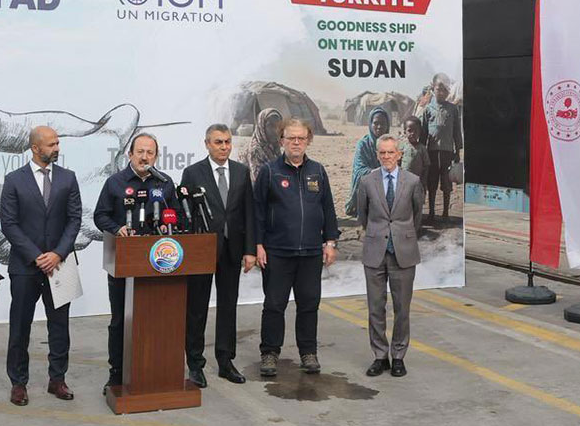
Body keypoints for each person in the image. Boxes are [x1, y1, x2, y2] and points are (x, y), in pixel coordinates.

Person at [1, 125, 83, 406]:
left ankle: (57, 379)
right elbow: (9, 224)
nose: (56, 148)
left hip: (61, 265)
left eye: (57, 143)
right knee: (19, 327)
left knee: (60, 326)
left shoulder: (68, 178)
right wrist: (37, 256)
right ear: (35, 148)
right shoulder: (14, 180)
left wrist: (57, 254)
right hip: (25, 266)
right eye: (51, 144)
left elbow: (74, 220)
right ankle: (18, 383)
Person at [92, 131, 178, 390]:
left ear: (156, 156)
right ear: (130, 154)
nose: (144, 157)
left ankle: (151, 369)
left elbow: (174, 215)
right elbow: (100, 215)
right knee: (120, 319)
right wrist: (117, 228)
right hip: (123, 260)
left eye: (150, 153)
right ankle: (117, 372)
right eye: (140, 152)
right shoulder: (115, 183)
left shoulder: (165, 184)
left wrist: (167, 227)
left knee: (154, 318)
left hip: (157, 262)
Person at [254, 119, 339, 378]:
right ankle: (270, 353)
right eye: (291, 138)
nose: (296, 142)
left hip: (311, 253)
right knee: (274, 305)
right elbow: (257, 212)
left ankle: (308, 353)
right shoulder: (269, 171)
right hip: (277, 252)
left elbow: (328, 209)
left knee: (309, 305)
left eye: (301, 138)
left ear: (308, 140)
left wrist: (330, 242)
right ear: (282, 141)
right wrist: (258, 245)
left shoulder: (318, 171)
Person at [180, 124, 256, 386]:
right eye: (218, 142)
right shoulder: (193, 173)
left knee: (228, 307)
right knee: (196, 309)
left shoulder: (241, 172)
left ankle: (226, 361)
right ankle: (195, 364)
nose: (224, 147)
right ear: (207, 144)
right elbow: (185, 214)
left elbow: (249, 213)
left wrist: (249, 250)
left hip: (232, 250)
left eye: (227, 142)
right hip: (201, 250)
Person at [355, 134, 423, 378]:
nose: (386, 156)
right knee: (375, 308)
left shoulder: (413, 181)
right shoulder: (367, 181)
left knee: (402, 309)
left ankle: (399, 356)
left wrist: (401, 236)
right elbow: (363, 215)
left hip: (403, 253)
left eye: (391, 152)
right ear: (377, 155)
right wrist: (378, 234)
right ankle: (380, 356)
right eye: (382, 153)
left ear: (399, 154)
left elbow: (417, 215)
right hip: (375, 252)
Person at [420, 77, 463, 220]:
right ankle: (432, 212)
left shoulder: (453, 109)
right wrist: (422, 152)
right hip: (431, 152)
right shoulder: (428, 109)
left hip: (447, 152)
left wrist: (458, 151)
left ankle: (445, 213)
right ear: (433, 90)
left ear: (448, 92)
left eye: (445, 90)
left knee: (446, 182)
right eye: (439, 89)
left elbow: (456, 131)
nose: (441, 92)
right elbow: (424, 133)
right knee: (432, 182)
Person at [345, 109, 389, 217]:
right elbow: (359, 170)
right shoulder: (363, 144)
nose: (379, 127)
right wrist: (376, 172)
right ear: (370, 124)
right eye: (376, 123)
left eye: (382, 123)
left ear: (387, 125)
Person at [239, 106, 283, 182]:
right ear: (261, 126)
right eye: (270, 126)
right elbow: (259, 180)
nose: (275, 130)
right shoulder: (255, 150)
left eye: (278, 126)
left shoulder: (273, 145)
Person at [401, 116, 430, 185]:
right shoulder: (402, 146)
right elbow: (397, 163)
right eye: (409, 130)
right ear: (405, 132)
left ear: (420, 132)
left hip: (417, 181)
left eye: (416, 131)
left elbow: (426, 165)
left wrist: (424, 180)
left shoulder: (422, 148)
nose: (413, 133)